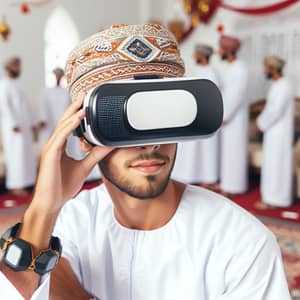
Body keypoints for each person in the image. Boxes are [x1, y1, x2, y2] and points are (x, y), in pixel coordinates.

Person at [0, 24, 291, 300]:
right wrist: (43, 209)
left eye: (162, 115)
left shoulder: (241, 242)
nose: (150, 143)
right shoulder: (69, 225)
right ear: (83, 134)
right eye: (123, 120)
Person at [172, 44, 220, 186]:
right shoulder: (199, 70)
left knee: (204, 150)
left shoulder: (211, 73)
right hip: (193, 114)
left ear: (202, 55)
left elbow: (210, 96)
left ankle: (207, 178)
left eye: (196, 53)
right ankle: (190, 175)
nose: (193, 56)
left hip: (204, 117)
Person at [255, 56, 294, 210]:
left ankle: (276, 200)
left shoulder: (284, 86)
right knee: (272, 165)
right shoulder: (278, 85)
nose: (264, 71)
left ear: (272, 68)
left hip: (279, 134)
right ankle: (272, 198)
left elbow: (275, 111)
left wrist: (260, 123)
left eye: (265, 67)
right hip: (273, 132)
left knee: (277, 165)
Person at [0, 57, 37, 197]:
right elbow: (5, 105)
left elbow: (26, 106)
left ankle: (26, 182)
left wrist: (32, 123)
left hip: (24, 127)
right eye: (17, 67)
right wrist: (14, 123)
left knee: (25, 155)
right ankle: (15, 185)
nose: (19, 69)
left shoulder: (17, 84)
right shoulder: (4, 84)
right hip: (13, 128)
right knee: (16, 156)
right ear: (9, 67)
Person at [218, 35, 249, 197]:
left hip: (235, 118)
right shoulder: (231, 67)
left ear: (228, 50)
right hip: (228, 117)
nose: (218, 51)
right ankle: (227, 184)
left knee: (234, 152)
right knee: (228, 152)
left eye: (221, 49)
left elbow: (236, 95)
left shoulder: (240, 68)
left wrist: (225, 115)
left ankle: (235, 187)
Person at [38, 68, 71, 148]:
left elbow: (70, 106)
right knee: (48, 142)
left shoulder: (66, 92)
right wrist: (43, 119)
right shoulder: (46, 91)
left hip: (64, 121)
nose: (58, 77)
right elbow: (43, 106)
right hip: (49, 121)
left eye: (60, 75)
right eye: (56, 75)